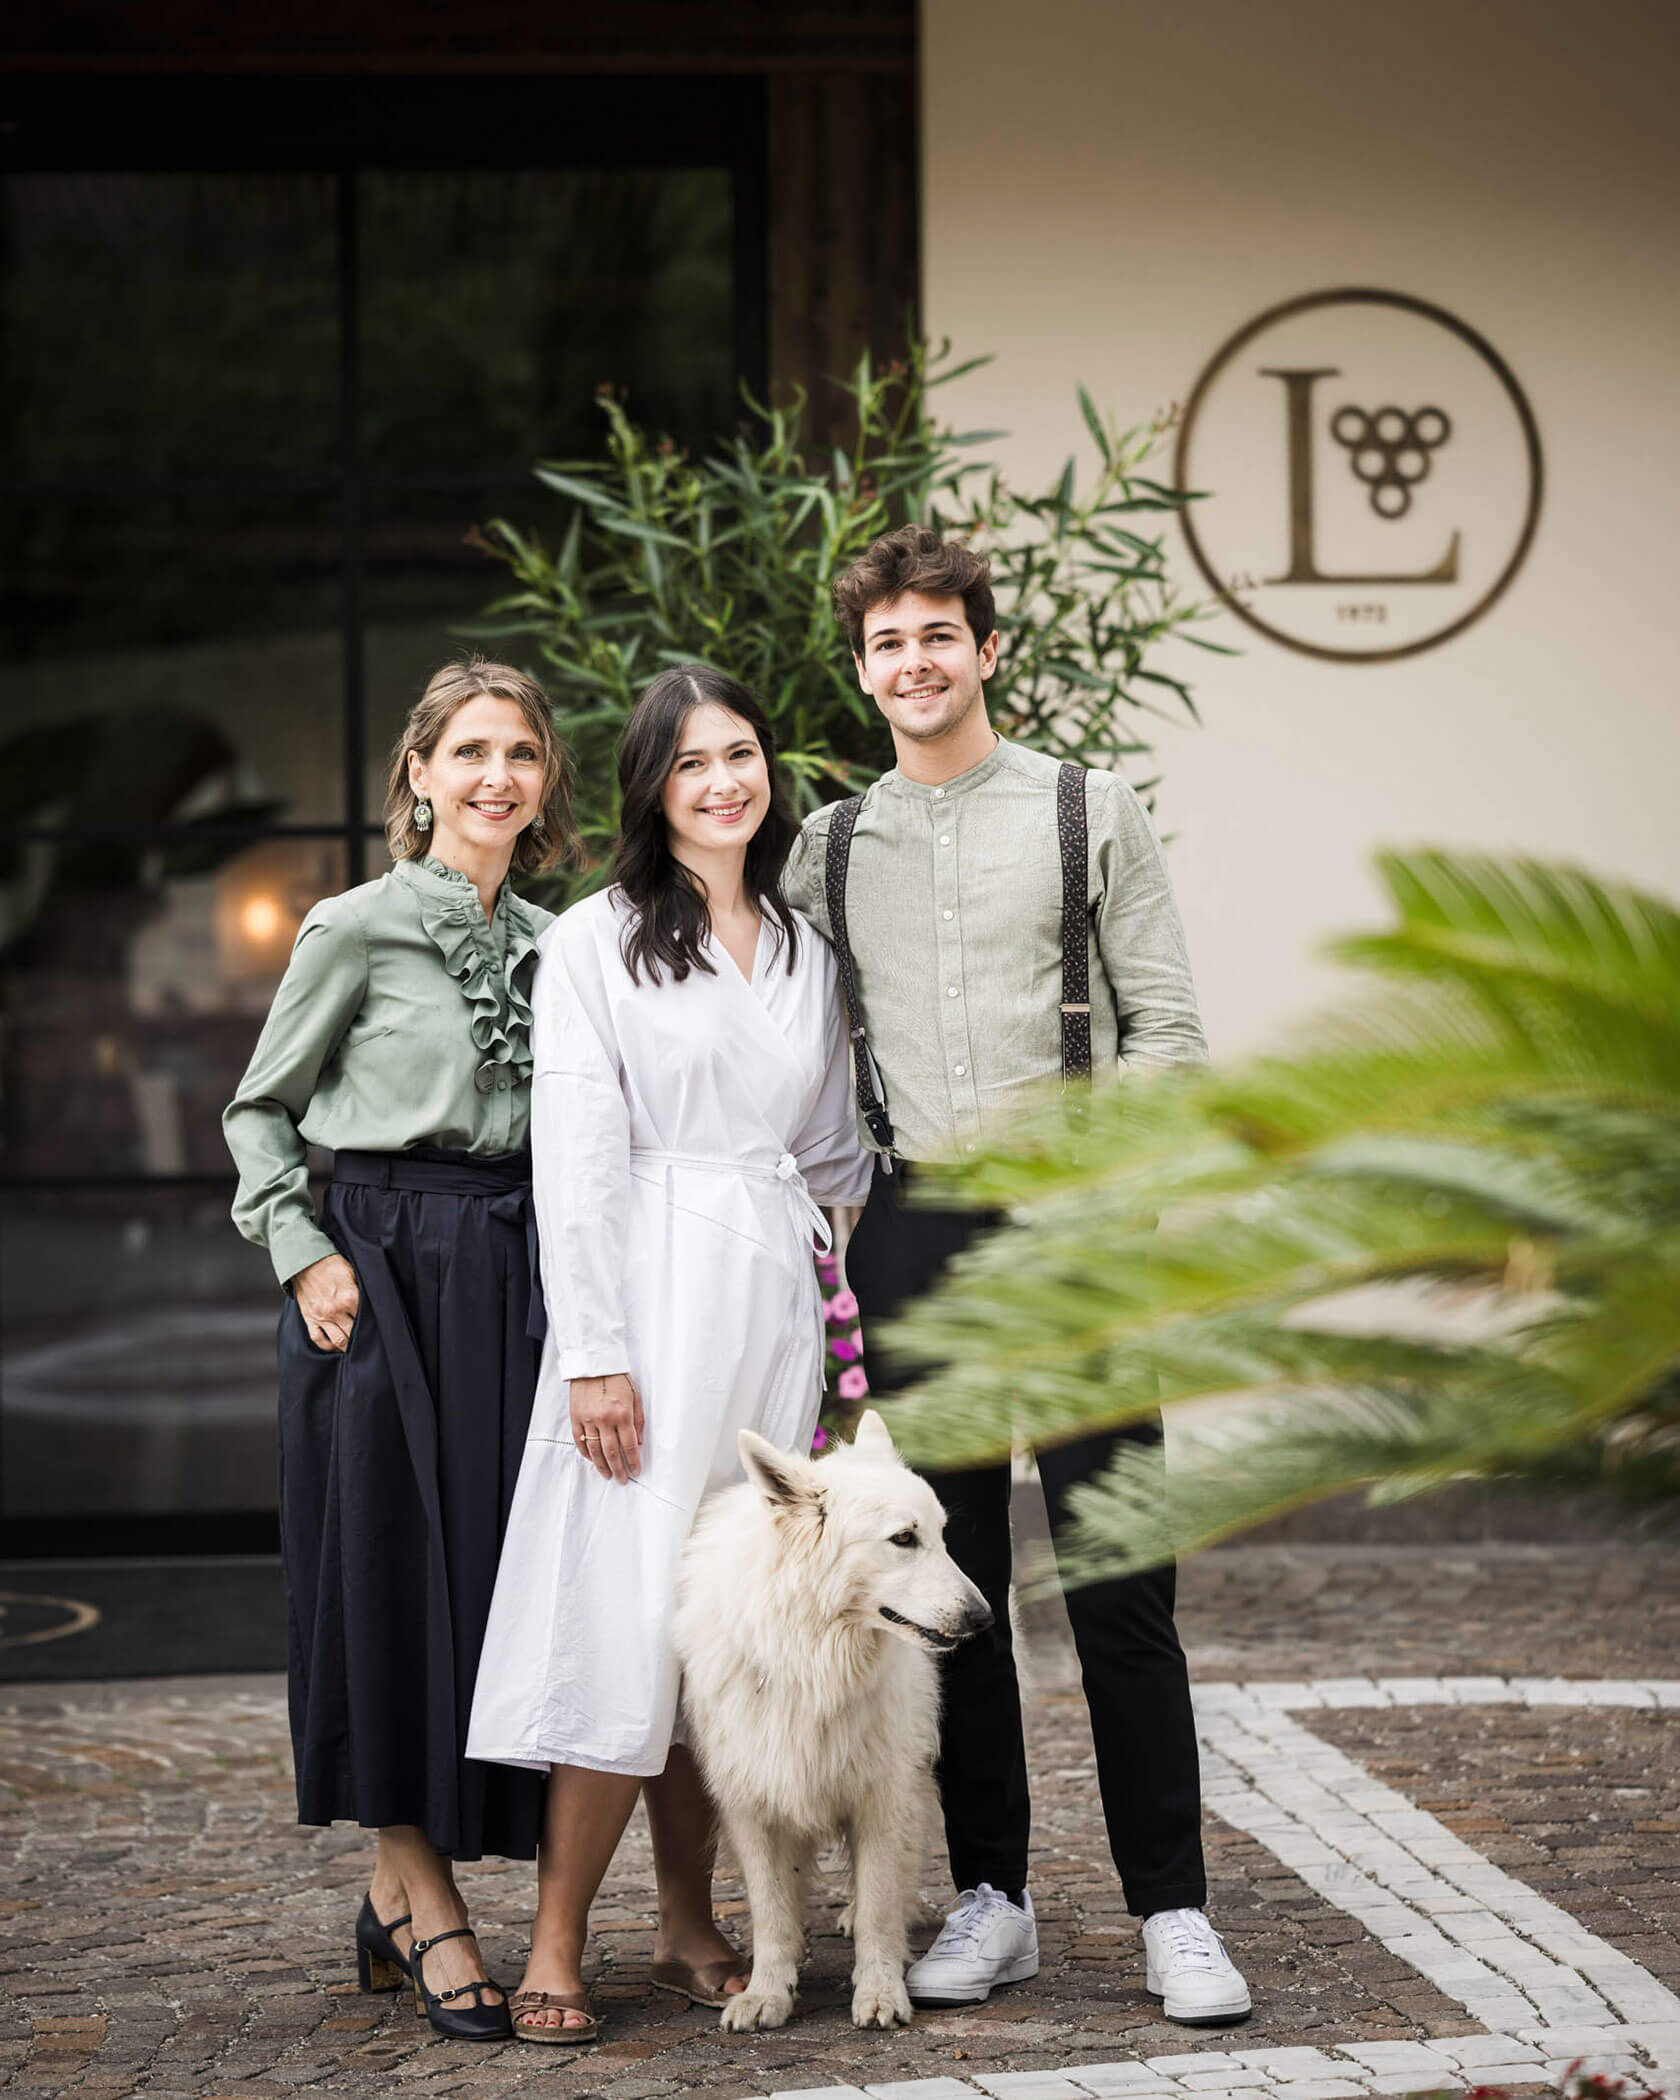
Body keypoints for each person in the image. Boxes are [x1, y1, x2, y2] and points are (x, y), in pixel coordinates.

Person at [783, 524, 1252, 2027]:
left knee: (1122, 1582)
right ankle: (994, 1896)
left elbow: (1169, 1032)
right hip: (918, 1230)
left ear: (988, 651)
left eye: (937, 636)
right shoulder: (827, 847)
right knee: (954, 1582)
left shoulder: (1084, 808)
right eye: (886, 645)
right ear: (862, 674)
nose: (912, 664)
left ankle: (1173, 1909)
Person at [467, 665, 874, 2045]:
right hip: (646, 1301)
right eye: (691, 762)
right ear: (652, 787)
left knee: (729, 1628)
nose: (722, 782)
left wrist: (829, 1299)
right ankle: (558, 1939)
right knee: (622, 1615)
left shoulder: (810, 952)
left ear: (770, 772)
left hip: (770, 1312)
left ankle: (697, 1918)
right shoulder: (598, 939)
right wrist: (594, 1353)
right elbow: (573, 1157)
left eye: (741, 755)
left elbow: (827, 1156)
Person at [224, 658, 577, 2041]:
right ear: (418, 774)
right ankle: (428, 1908)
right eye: (473, 751)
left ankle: (396, 1891)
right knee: (382, 1587)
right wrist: (302, 1249)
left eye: (525, 754)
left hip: (521, 1272)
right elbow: (262, 1113)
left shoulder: (567, 943)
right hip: (377, 1274)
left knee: (492, 1600)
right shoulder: (352, 929)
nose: (499, 775)